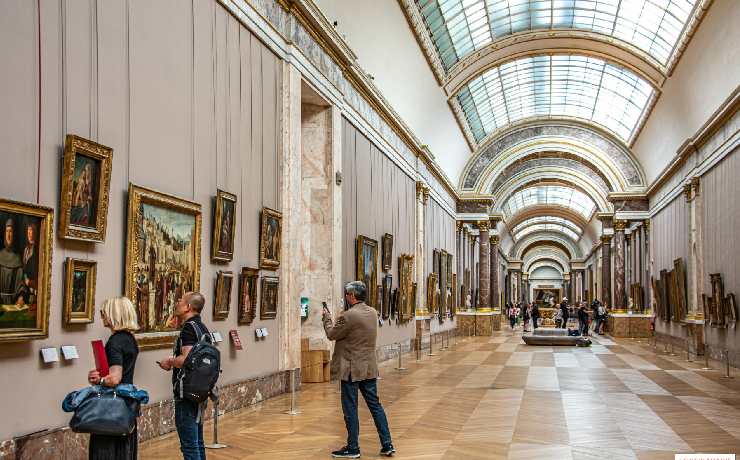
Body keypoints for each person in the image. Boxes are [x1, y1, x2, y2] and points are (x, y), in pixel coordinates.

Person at [323, 281, 394, 458]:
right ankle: (387, 444)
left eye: (347, 295)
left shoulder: (349, 316)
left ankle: (353, 448)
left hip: (351, 370)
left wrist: (327, 318)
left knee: (350, 408)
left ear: (352, 296)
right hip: (368, 368)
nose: (346, 298)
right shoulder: (372, 312)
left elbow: (332, 334)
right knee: (375, 406)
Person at [158, 292, 210, 460]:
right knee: (198, 441)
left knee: (189, 445)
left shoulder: (189, 328)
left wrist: (170, 361)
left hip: (186, 392)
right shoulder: (202, 327)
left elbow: (186, 359)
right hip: (201, 389)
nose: (177, 302)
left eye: (180, 300)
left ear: (188, 307)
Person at [86, 297, 140, 460]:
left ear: (113, 314)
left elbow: (114, 379)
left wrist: (99, 380)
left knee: (107, 450)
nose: (102, 316)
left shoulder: (115, 341)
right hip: (126, 404)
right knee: (124, 449)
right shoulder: (130, 339)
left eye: (103, 312)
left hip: (112, 407)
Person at [0, 219, 23, 305]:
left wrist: (21, 297)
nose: (8, 235)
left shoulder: (18, 258)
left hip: (13, 303)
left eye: (11, 231)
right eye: (7, 231)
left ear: (14, 234)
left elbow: (21, 285)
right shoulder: (0, 255)